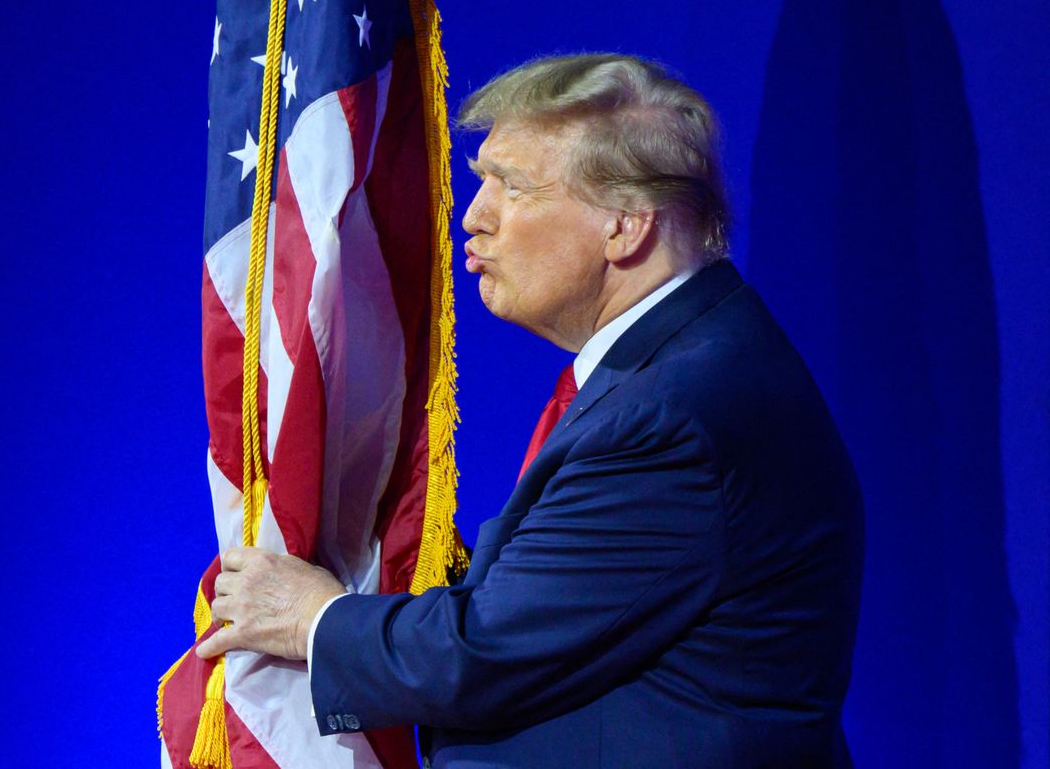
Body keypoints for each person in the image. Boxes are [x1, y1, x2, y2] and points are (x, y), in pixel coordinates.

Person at [195, 53, 865, 768]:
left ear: (625, 225)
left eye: (511, 187)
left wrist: (312, 618)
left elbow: (485, 653)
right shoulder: (685, 363)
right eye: (482, 181)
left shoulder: (673, 417)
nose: (473, 217)